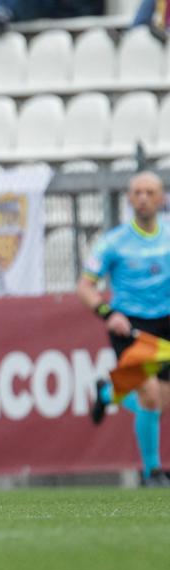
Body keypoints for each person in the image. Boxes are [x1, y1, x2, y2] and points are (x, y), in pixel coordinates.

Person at [78, 171, 170, 488]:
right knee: (150, 394)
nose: (142, 198)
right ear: (129, 199)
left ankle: (107, 391)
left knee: (160, 401)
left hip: (166, 323)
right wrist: (107, 313)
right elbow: (85, 285)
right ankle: (152, 472)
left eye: (149, 192)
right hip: (129, 325)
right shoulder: (113, 242)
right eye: (137, 193)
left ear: (161, 199)